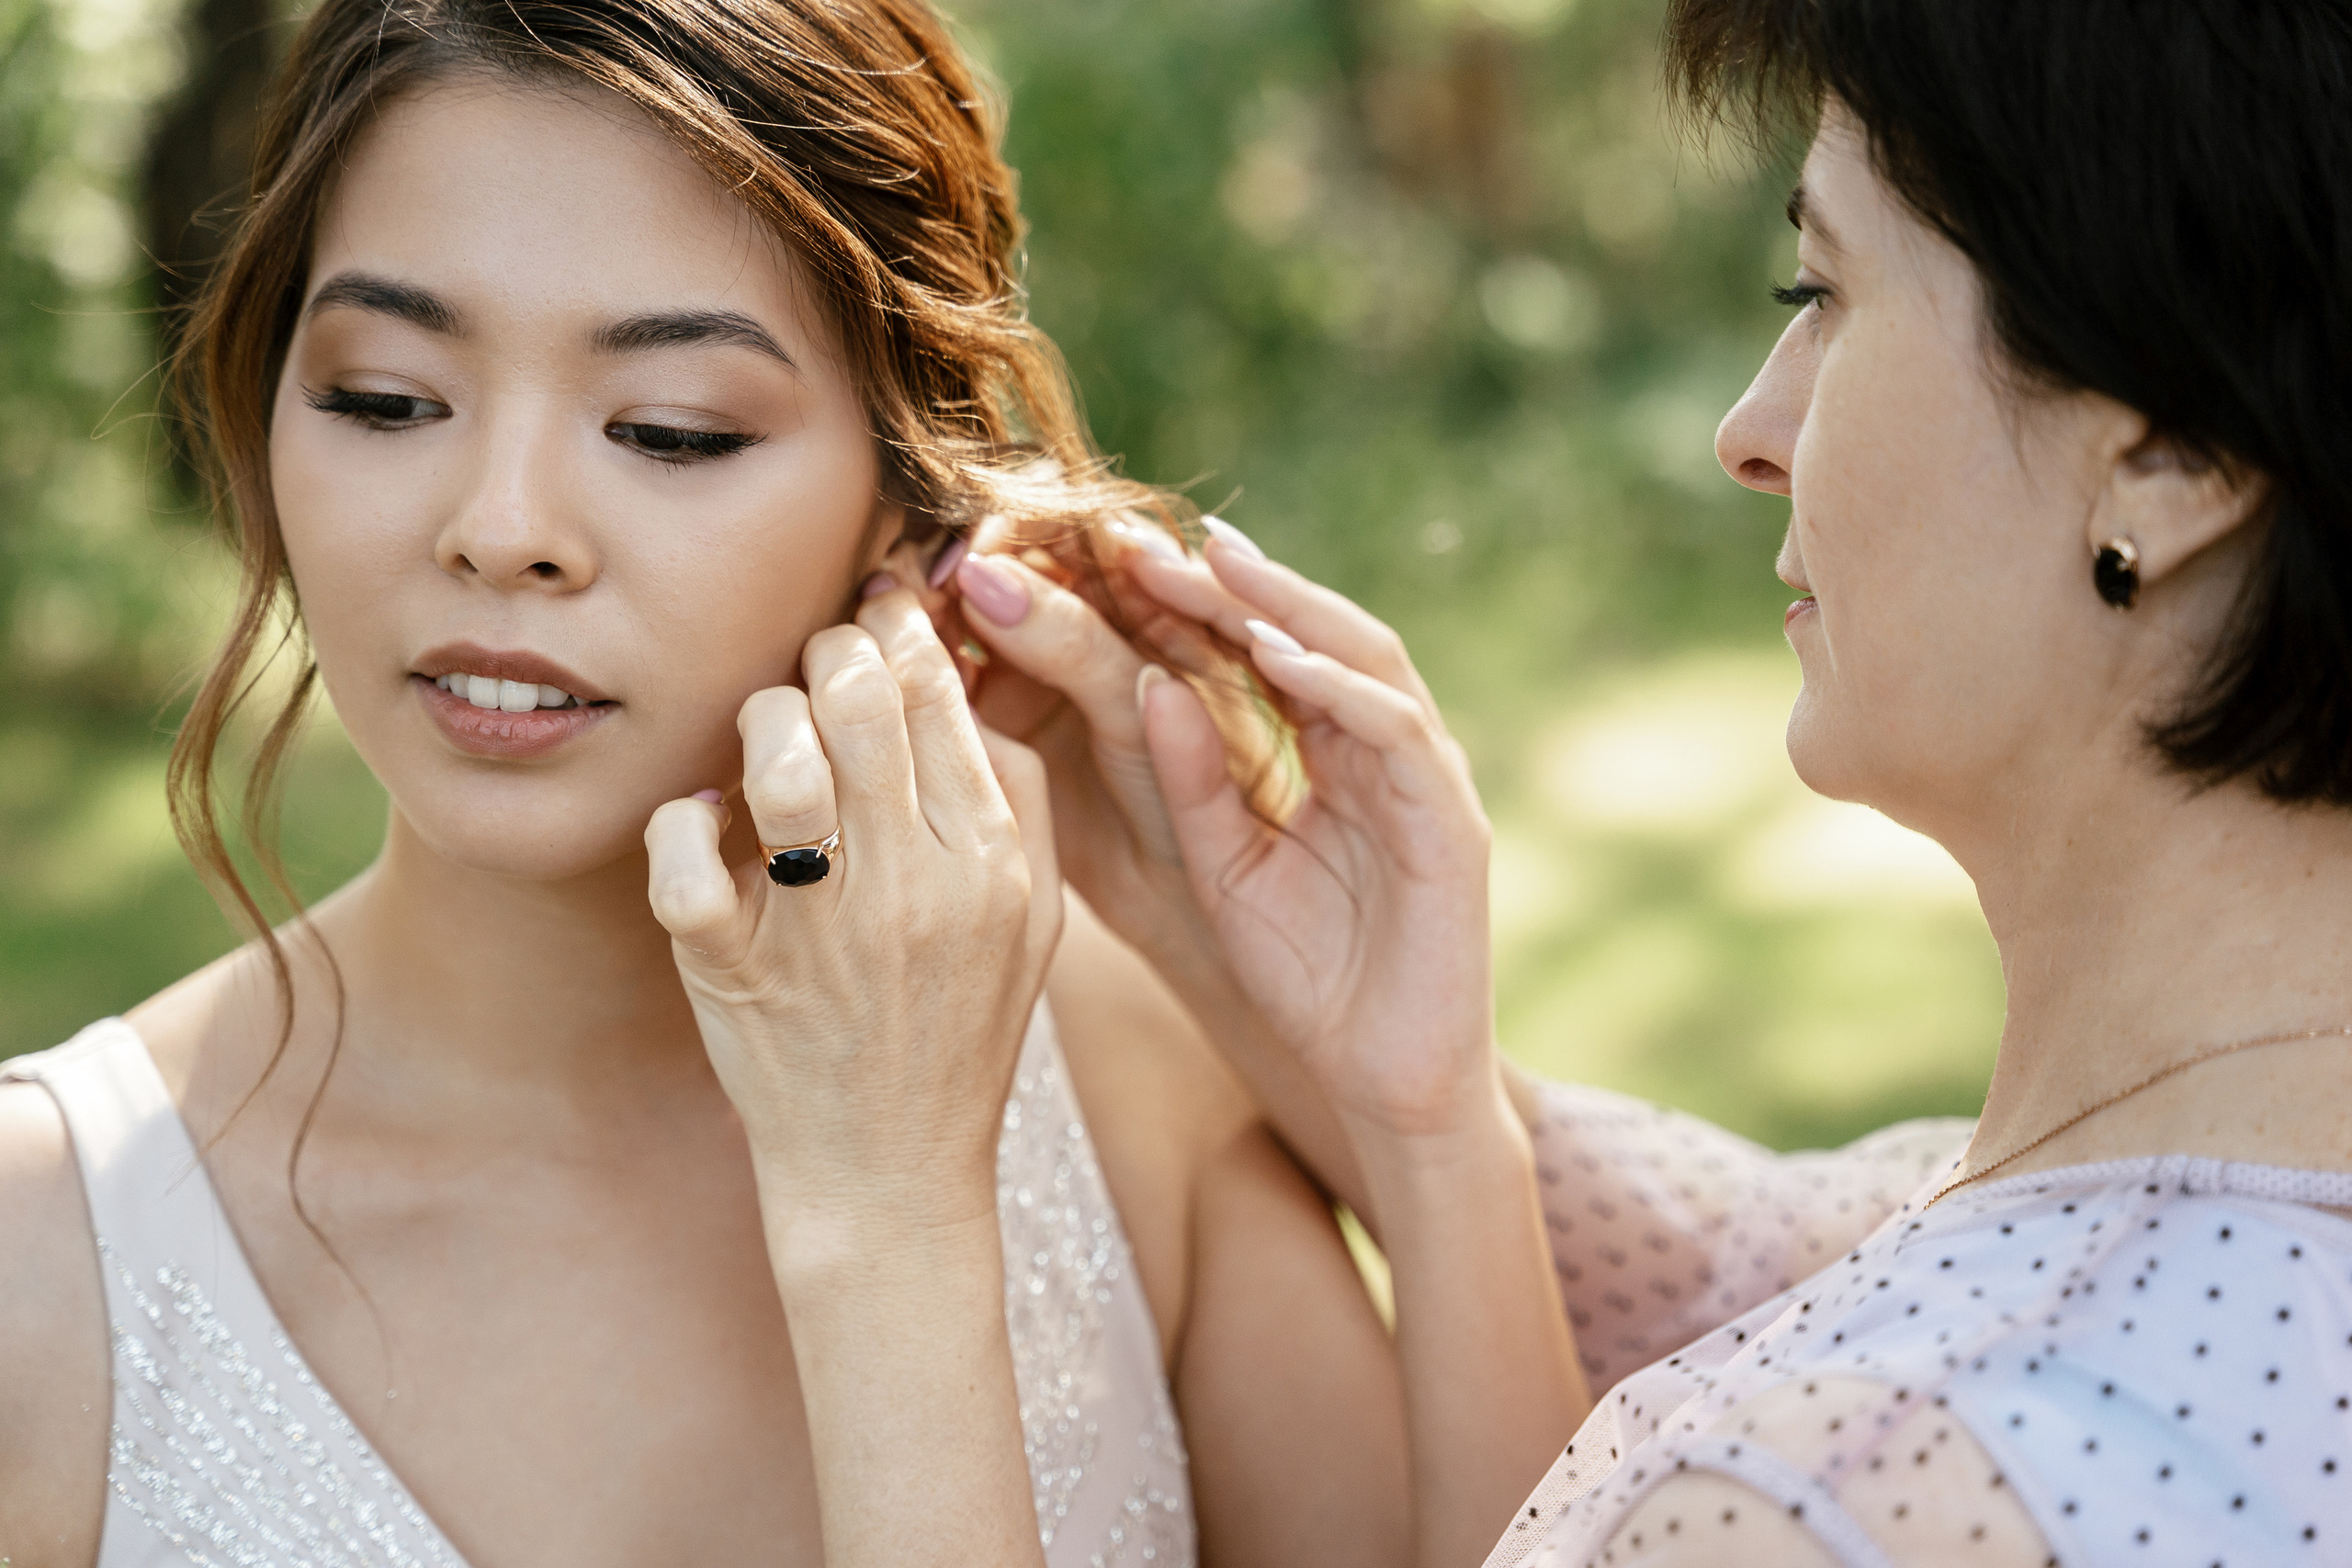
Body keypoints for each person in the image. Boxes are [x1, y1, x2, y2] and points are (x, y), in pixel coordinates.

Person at [0, 1, 1423, 1563]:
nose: (502, 524)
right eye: (388, 397)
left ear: (907, 508)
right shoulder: (43, 1259)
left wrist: (1427, 1130)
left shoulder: (1113, 1064)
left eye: (670, 431)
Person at [945, 0, 2352, 1562]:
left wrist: (876, 1207)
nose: (1749, 432)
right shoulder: (2183, 1241)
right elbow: (1736, 1272)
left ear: (2176, 463)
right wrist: (1386, 1083)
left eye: (1822, 290)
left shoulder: (1859, 1493)